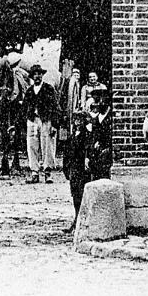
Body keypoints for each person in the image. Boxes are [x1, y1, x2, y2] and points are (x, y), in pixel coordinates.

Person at [63, 85, 113, 232]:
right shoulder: (94, 122)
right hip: (84, 165)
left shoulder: (108, 120)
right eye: (95, 100)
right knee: (78, 192)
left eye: (100, 100)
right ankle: (78, 220)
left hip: (97, 162)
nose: (97, 103)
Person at [22, 64, 58, 184]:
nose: (37, 76)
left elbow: (54, 107)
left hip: (46, 120)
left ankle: (47, 173)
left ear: (42, 75)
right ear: (32, 77)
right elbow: (24, 108)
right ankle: (34, 173)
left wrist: (54, 124)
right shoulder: (29, 91)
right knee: (32, 145)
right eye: (35, 74)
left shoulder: (49, 89)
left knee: (47, 145)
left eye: (39, 74)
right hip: (32, 120)